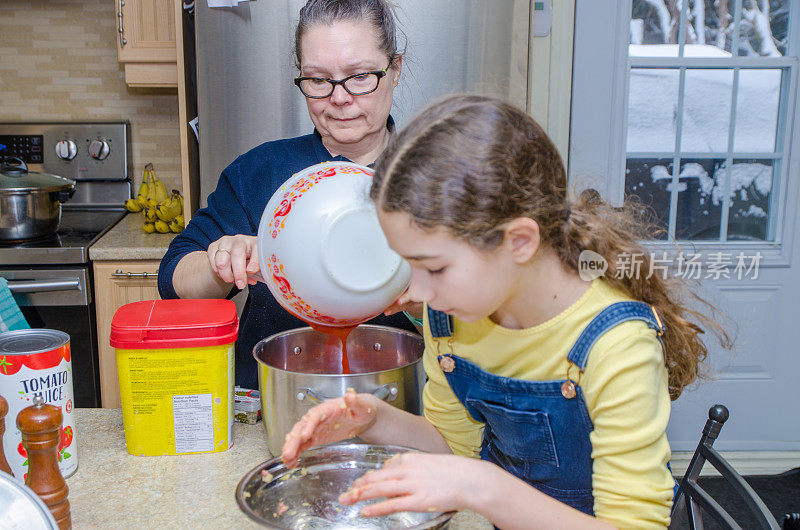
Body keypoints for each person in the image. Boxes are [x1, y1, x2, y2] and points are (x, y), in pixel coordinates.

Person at [280, 94, 731, 529]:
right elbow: (452, 448)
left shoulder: (617, 346)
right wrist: (376, 420)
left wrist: (483, 487)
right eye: (407, 264)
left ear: (518, 242)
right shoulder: (452, 319)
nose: (414, 291)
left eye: (434, 267)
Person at [158, 0, 420, 389]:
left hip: (405, 402)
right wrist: (223, 260)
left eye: (360, 76)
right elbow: (172, 282)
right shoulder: (262, 173)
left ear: (394, 69)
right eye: (318, 80)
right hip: (275, 404)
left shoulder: (437, 175)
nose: (340, 97)